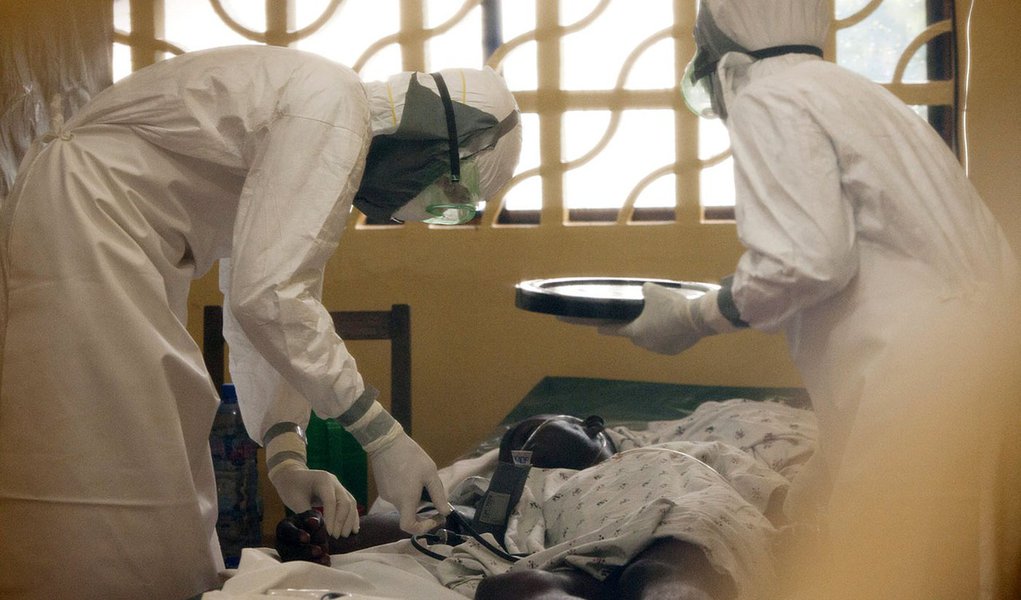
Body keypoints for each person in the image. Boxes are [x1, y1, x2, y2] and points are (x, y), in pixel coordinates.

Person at [0, 45, 522, 599]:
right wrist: (382, 437)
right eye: (450, 196)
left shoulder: (326, 120)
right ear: (437, 139)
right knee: (115, 477)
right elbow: (269, 295)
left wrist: (284, 456)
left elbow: (262, 299)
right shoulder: (331, 106)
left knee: (155, 468)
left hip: (116, 235)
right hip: (91, 222)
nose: (433, 214)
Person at [570, 0, 1021, 597]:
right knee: (960, 559)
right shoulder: (855, 92)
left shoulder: (767, 94)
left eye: (700, 40)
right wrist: (819, 481)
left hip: (919, 376)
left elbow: (807, 259)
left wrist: (692, 316)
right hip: (977, 363)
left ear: (724, 46)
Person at [277, 402, 815, 599]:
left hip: (663, 516)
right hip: (567, 554)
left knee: (671, 564)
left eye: (540, 430)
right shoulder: (510, 490)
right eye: (516, 444)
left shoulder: (673, 453)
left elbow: (768, 494)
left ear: (596, 431)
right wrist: (332, 532)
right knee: (514, 588)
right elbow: (432, 528)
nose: (525, 448)